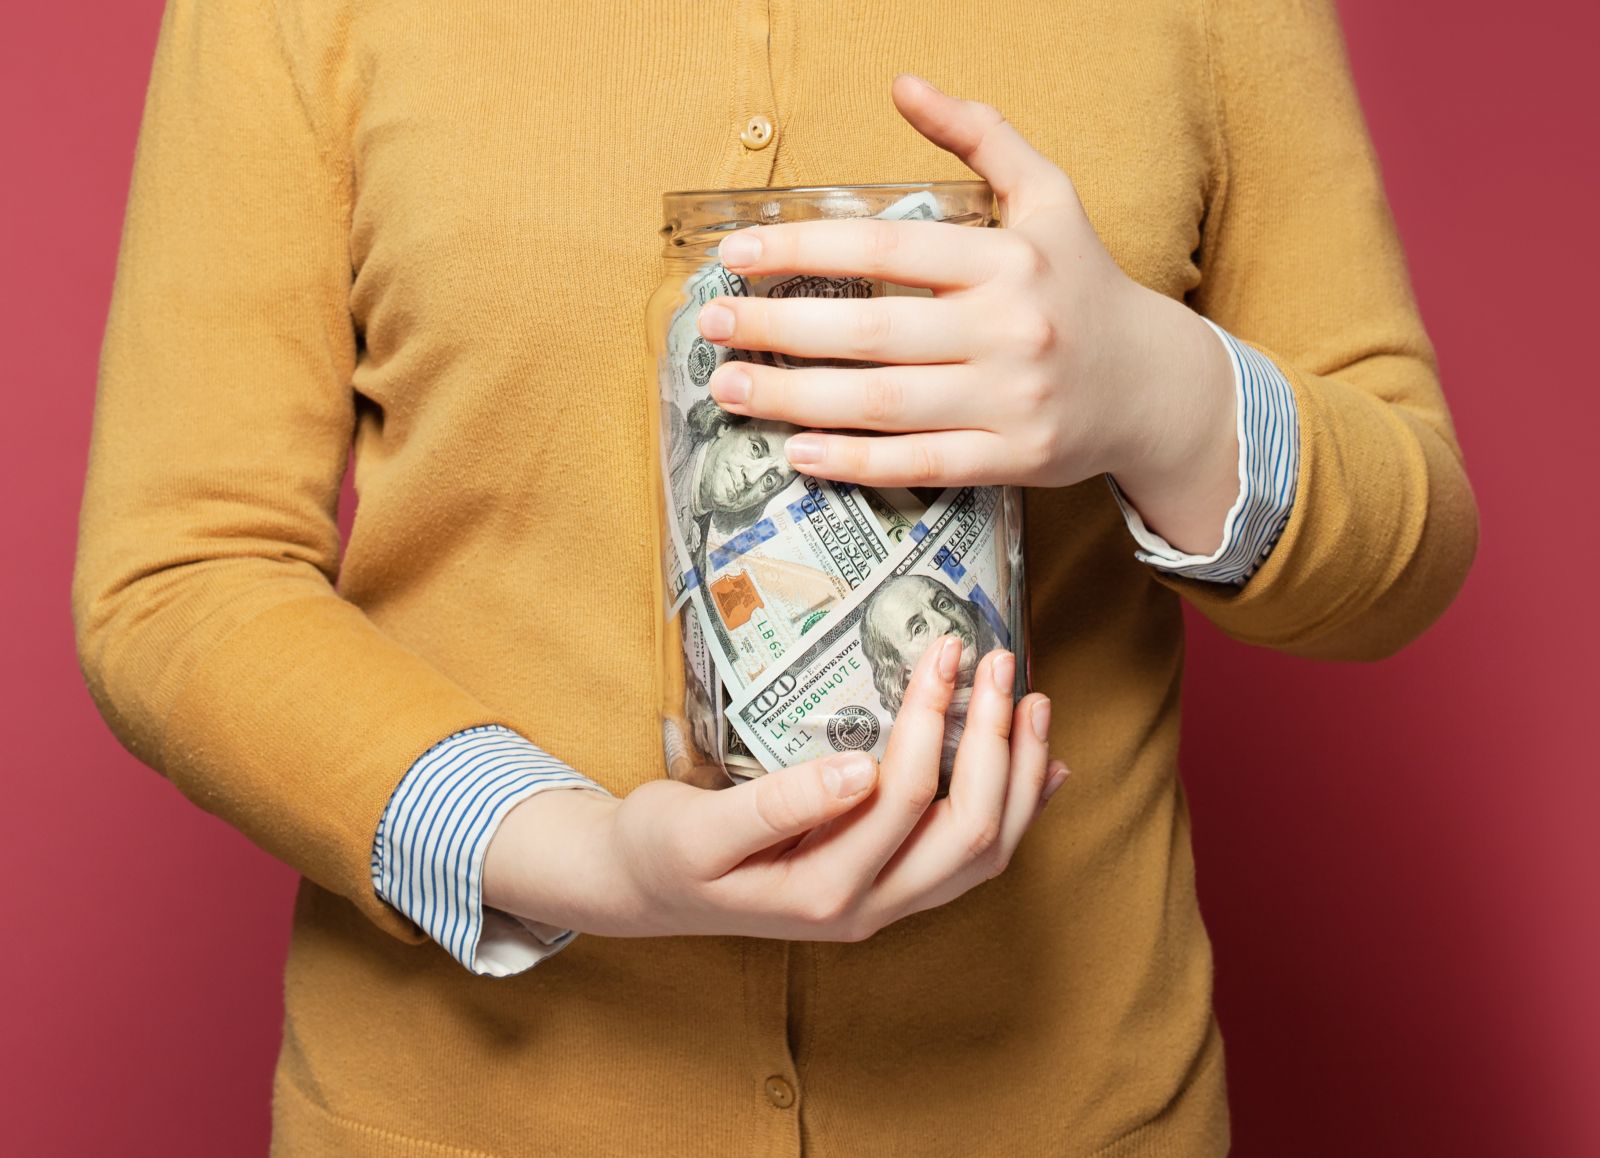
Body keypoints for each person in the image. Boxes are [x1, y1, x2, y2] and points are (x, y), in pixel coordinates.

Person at [70, 2, 1477, 1155]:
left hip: (1075, 1111)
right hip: (462, 1114)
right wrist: (573, 853)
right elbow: (183, 570)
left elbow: (1407, 550)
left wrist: (1157, 393)